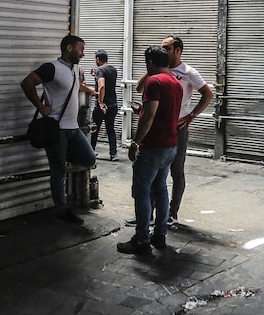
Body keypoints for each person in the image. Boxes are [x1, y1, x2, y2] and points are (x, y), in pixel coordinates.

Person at [136, 35, 214, 224]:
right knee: (154, 173)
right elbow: (139, 89)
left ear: (178, 51)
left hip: (177, 128)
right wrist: (151, 69)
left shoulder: (188, 72)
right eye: (161, 48)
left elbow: (208, 93)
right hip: (157, 128)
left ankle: (172, 213)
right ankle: (149, 215)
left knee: (176, 171)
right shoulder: (158, 71)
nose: (163, 51)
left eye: (167, 48)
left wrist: (191, 115)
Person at [20, 35, 97, 225]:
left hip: (73, 127)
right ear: (69, 48)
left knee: (89, 158)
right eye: (81, 49)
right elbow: (27, 83)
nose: (83, 53)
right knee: (58, 170)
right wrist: (40, 106)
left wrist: (90, 90)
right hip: (56, 128)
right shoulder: (51, 68)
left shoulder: (74, 69)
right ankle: (62, 210)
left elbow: (75, 87)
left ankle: (64, 154)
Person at [117, 45, 183, 255]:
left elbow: (150, 116)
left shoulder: (154, 82)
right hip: (170, 146)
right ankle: (159, 235)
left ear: (150, 63)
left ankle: (142, 240)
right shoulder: (176, 82)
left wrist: (135, 142)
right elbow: (162, 111)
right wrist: (143, 109)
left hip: (153, 146)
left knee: (142, 192)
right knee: (161, 188)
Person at [91, 49, 119, 160]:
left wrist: (100, 103)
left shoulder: (100, 70)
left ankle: (91, 151)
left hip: (103, 106)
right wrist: (96, 74)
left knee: (94, 129)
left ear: (98, 59)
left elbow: (101, 86)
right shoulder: (113, 69)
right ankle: (113, 154)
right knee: (110, 129)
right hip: (113, 104)